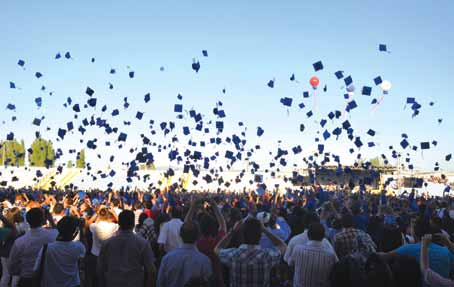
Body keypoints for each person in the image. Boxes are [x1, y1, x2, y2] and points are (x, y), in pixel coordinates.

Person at [215, 217, 287, 287]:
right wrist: (265, 230)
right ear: (260, 236)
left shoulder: (232, 255)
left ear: (242, 235)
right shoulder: (267, 256)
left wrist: (233, 231)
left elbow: (217, 249)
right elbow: (283, 246)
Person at [98, 210, 156, 287]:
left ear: (119, 224)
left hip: (113, 283)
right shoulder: (142, 243)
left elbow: (100, 269)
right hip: (134, 283)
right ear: (133, 224)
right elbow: (151, 270)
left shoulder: (107, 244)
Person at [7, 208, 57, 287]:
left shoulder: (20, 242)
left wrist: (21, 272)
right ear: (43, 220)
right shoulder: (52, 235)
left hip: (26, 279)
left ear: (27, 220)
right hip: (47, 279)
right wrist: (51, 220)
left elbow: (11, 267)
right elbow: (58, 233)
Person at [33, 216, 85, 287]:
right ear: (75, 232)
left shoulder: (47, 248)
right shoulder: (78, 247)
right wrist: (81, 230)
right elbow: (84, 247)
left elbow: (36, 269)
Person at [157, 222, 212, 287]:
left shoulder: (167, 258)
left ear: (180, 235)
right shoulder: (204, 261)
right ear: (198, 236)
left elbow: (160, 283)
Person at [287, 222, 338, 287]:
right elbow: (336, 267)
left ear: (308, 235)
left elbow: (290, 264)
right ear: (323, 236)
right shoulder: (330, 254)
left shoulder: (297, 249)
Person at [86, 206, 119, 286]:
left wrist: (97, 213)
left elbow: (87, 224)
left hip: (95, 254)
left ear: (99, 215)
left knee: (96, 278)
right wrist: (114, 213)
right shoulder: (113, 226)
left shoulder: (94, 226)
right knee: (108, 277)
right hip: (109, 255)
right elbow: (120, 223)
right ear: (108, 215)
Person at [0, 207, 27, 287]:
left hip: (3, 254)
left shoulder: (3, 230)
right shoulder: (14, 229)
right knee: (16, 274)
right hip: (13, 253)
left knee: (6, 275)